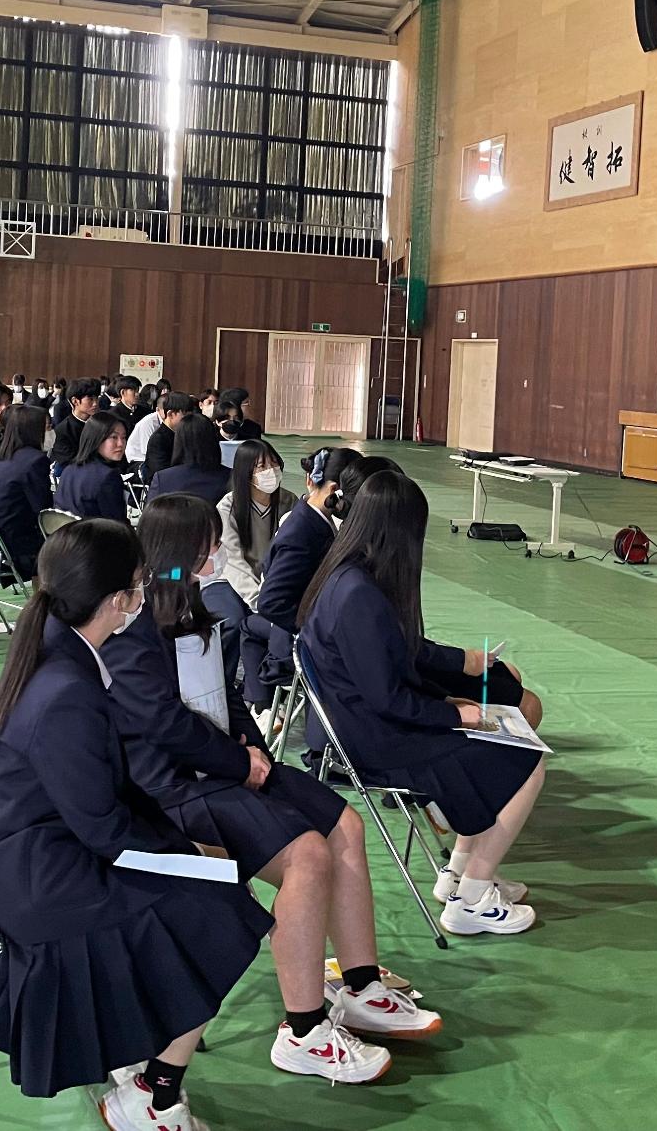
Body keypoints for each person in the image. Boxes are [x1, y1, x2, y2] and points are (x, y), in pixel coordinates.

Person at [105, 495, 436, 1081]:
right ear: (179, 553)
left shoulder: (195, 611)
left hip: (227, 764)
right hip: (177, 789)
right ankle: (304, 1028)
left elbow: (223, 694)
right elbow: (164, 725)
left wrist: (251, 745)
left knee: (344, 826)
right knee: (307, 857)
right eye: (205, 546)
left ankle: (359, 984)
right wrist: (238, 762)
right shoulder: (133, 632)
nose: (213, 556)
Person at [0, 519, 271, 1127]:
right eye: (140, 586)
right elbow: (104, 829)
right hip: (36, 880)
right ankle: (154, 1094)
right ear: (120, 600)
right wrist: (190, 856)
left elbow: (104, 803)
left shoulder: (54, 650)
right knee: (224, 907)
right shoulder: (65, 688)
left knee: (207, 878)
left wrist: (182, 847)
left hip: (23, 853)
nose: (146, 597)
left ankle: (145, 1059)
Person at [299, 471, 545, 936]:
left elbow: (396, 660)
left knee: (501, 734)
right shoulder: (359, 595)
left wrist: (452, 694)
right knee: (526, 760)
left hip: (367, 725)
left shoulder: (348, 576)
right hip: (376, 739)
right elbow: (386, 697)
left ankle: (462, 875)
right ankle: (470, 900)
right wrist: (452, 713)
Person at [249, 447, 357, 709]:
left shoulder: (317, 519)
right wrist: (317, 628)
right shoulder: (302, 532)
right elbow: (271, 602)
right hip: (299, 639)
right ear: (335, 492)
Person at [216, 439, 296, 703]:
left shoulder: (288, 502)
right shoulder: (228, 508)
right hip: (235, 581)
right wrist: (259, 601)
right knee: (234, 619)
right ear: (245, 472)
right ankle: (229, 688)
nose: (270, 471)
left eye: (273, 463)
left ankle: (264, 697)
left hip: (275, 581)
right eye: (261, 466)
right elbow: (233, 562)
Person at [0, 403, 54, 581]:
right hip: (11, 549)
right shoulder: (35, 460)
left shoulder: (2, 455)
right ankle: (44, 602)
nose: (50, 432)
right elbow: (44, 512)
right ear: (33, 431)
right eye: (47, 428)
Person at [54, 410, 128, 522]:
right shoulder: (108, 476)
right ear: (97, 438)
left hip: (65, 536)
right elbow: (117, 524)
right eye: (114, 437)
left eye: (123, 437)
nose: (121, 444)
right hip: (93, 537)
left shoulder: (69, 470)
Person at [146, 414, 231, 504]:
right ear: (213, 440)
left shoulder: (162, 479)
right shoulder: (230, 476)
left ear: (179, 441)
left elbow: (150, 515)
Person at [48, 378, 100, 469]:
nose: (95, 403)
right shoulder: (62, 431)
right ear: (75, 401)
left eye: (97, 398)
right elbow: (69, 463)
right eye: (90, 399)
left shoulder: (101, 425)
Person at [140, 392, 192, 482]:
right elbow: (161, 474)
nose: (190, 420)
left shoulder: (185, 433)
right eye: (185, 415)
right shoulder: (158, 440)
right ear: (171, 414)